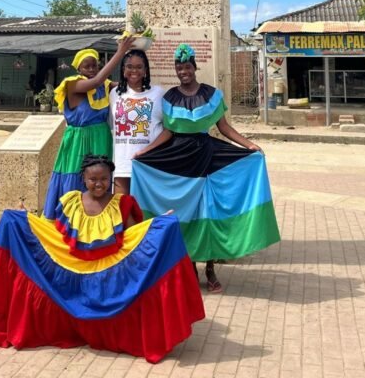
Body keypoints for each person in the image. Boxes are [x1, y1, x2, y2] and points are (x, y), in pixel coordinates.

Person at [0, 154, 205, 363]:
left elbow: (136, 237)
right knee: (12, 221)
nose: (98, 184)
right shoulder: (70, 200)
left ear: (110, 178)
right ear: (83, 178)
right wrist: (25, 219)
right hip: (70, 268)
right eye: (93, 179)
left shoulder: (122, 203)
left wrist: (159, 226)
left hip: (110, 271)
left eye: (104, 179)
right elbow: (52, 231)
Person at [131, 43, 280, 293]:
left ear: (194, 67)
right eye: (179, 68)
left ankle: (210, 268)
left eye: (187, 67)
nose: (183, 71)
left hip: (207, 155)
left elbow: (224, 128)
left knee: (209, 213)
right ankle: (189, 266)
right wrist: (144, 153)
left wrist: (249, 144)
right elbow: (168, 132)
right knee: (183, 213)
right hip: (178, 157)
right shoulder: (169, 98)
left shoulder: (211, 94)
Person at [42, 37, 135, 219]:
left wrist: (134, 66)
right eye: (87, 66)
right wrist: (120, 52)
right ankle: (70, 219)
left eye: (95, 66)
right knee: (77, 175)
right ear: (78, 69)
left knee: (100, 178)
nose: (92, 70)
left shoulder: (104, 86)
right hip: (79, 139)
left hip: (100, 137)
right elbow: (96, 81)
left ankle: (98, 218)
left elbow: (128, 86)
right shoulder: (73, 84)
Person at [109, 49, 164, 194]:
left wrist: (147, 150)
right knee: (122, 209)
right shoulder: (114, 93)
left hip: (148, 162)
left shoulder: (158, 93)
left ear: (146, 70)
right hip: (122, 164)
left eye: (139, 67)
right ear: (123, 69)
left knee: (145, 211)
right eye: (129, 66)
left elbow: (169, 130)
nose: (134, 70)